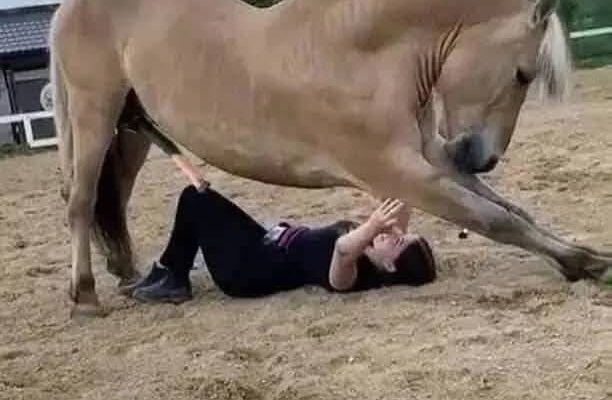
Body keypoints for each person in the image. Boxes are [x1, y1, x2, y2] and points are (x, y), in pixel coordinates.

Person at [129, 185, 437, 303]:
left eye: (397, 241)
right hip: (263, 240)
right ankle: (172, 271)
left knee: (197, 199)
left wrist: (371, 227)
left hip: (247, 269)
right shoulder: (371, 246)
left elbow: (343, 250)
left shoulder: (355, 276)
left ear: (391, 266)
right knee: (200, 191)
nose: (392, 234)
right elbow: (401, 198)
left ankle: (173, 275)